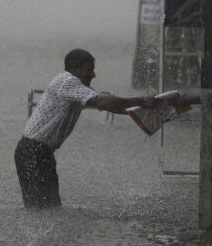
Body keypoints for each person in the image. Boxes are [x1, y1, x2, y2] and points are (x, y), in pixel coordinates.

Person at [14, 48, 200, 209]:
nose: (93, 75)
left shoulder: (76, 88)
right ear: (74, 68)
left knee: (50, 207)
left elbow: (110, 105)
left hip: (41, 152)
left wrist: (147, 107)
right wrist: (140, 100)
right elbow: (102, 101)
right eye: (89, 70)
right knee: (39, 209)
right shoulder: (67, 81)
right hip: (33, 151)